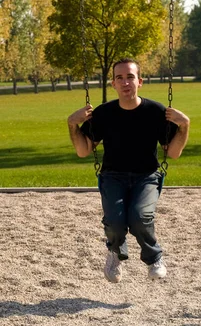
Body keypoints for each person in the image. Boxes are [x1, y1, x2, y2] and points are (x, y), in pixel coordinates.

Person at [67, 58, 190, 284]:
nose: (125, 82)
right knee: (114, 222)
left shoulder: (155, 111)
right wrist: (72, 124)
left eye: (130, 77)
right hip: (113, 176)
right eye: (120, 78)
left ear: (140, 81)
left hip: (147, 177)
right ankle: (115, 252)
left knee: (140, 218)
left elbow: (172, 153)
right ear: (113, 84)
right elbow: (83, 151)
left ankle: (154, 258)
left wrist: (185, 126)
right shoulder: (104, 114)